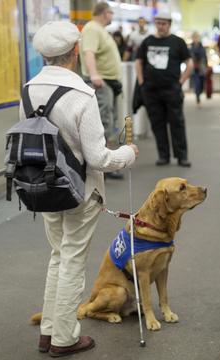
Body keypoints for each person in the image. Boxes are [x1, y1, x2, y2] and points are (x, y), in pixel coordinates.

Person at [26, 21, 138, 357]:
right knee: (72, 259)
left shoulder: (27, 89)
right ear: (75, 52)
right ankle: (64, 338)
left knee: (58, 256)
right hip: (80, 190)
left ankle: (49, 332)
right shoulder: (81, 94)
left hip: (42, 186)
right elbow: (99, 157)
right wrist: (128, 154)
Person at [135, 10, 193, 167]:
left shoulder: (177, 42)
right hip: (151, 91)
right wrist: (141, 82)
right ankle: (163, 155)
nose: (161, 26)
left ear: (169, 25)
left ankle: (182, 156)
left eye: (164, 24)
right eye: (158, 23)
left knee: (177, 123)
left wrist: (180, 82)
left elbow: (189, 63)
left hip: (172, 90)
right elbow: (139, 61)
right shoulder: (147, 41)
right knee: (157, 124)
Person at [80, 2, 125, 180]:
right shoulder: (92, 28)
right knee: (103, 123)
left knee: (108, 121)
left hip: (107, 83)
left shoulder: (99, 29)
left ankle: (107, 164)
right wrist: (94, 75)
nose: (111, 16)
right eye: (111, 13)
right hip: (100, 83)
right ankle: (103, 166)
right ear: (105, 13)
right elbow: (88, 52)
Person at [189, 31, 208, 105]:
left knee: (202, 84)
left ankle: (199, 93)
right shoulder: (190, 47)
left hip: (201, 68)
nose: (196, 39)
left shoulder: (202, 47)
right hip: (194, 68)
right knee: (197, 83)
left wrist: (206, 67)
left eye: (197, 37)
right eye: (194, 37)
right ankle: (198, 98)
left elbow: (205, 58)